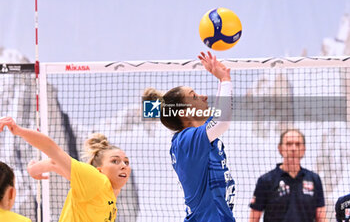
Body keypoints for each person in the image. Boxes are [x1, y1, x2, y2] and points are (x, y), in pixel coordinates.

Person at [143, 51, 235, 222]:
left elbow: (219, 115)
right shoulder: (185, 141)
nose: (204, 97)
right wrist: (224, 80)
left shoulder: (200, 136)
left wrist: (220, 77)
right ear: (185, 113)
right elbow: (222, 120)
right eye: (195, 96)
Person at [0, 117, 131, 222]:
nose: (124, 165)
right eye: (115, 161)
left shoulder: (107, 194)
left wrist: (34, 169)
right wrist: (18, 131)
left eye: (126, 162)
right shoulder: (97, 180)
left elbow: (53, 163)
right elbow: (52, 149)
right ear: (99, 170)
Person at [249, 129, 327, 222]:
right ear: (280, 148)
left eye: (298, 144)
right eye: (289, 144)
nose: (293, 148)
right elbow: (254, 218)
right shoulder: (266, 180)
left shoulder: (314, 179)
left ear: (303, 149)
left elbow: (321, 218)